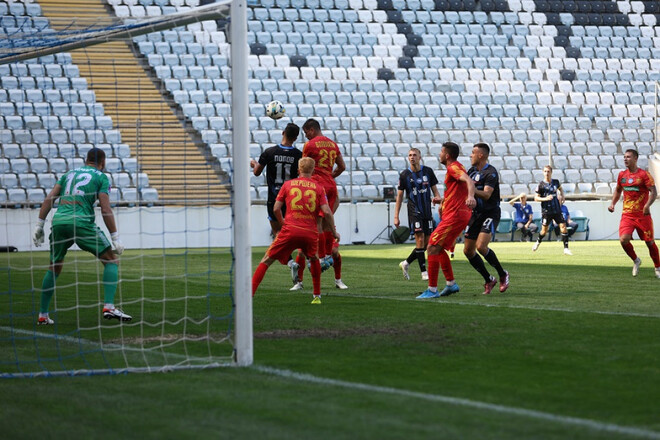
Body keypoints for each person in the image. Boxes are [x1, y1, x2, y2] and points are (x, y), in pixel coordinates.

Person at [31, 148, 131, 325]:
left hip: (60, 221)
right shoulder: (101, 176)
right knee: (111, 261)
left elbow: (49, 199)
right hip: (82, 222)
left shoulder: (68, 174)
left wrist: (39, 225)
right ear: (103, 162)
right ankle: (109, 306)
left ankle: (43, 315)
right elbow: (106, 209)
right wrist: (115, 237)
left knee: (54, 267)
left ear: (86, 160)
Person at [252, 157, 340, 304]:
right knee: (314, 258)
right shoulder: (318, 188)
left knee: (267, 260)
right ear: (312, 170)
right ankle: (316, 296)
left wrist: (283, 223)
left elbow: (276, 208)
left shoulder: (288, 185)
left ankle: (250, 293)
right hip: (310, 232)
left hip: (290, 229)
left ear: (298, 170)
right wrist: (333, 232)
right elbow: (327, 212)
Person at [291, 118, 348, 290]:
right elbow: (342, 166)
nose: (306, 137)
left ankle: (321, 260)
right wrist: (330, 177)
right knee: (323, 224)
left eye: (306, 133)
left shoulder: (310, 146)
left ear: (311, 130)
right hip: (331, 187)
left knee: (314, 227)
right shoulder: (333, 144)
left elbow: (302, 168)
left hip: (315, 188)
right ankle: (329, 275)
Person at [417, 142, 476, 299]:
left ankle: (432, 289)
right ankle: (450, 284)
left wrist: (471, 196)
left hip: (455, 215)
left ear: (447, 155)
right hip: (455, 213)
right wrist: (443, 200)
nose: (440, 154)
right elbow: (457, 191)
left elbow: (469, 182)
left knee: (431, 247)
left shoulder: (453, 167)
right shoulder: (457, 167)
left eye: (442, 152)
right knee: (439, 248)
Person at [250, 123, 302, 278]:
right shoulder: (299, 155)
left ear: (283, 132)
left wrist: (253, 164)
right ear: (296, 137)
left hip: (275, 199)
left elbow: (257, 172)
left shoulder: (269, 152)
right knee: (292, 232)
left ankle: (291, 263)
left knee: (278, 233)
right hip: (292, 199)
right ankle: (296, 261)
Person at [463, 143, 510, 295]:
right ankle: (489, 279)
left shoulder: (491, 172)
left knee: (481, 246)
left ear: (481, 155)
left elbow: (486, 194)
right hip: (475, 214)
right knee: (468, 251)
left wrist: (471, 191)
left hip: (490, 213)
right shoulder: (471, 171)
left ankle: (502, 274)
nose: (470, 155)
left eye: (473, 153)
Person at [608, 149, 660, 278]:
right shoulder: (622, 175)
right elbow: (618, 190)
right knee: (623, 240)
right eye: (624, 157)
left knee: (649, 242)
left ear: (635, 158)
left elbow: (654, 192)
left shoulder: (644, 175)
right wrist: (613, 204)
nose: (625, 159)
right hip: (627, 215)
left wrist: (647, 205)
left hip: (643, 215)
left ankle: (657, 267)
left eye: (628, 157)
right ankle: (636, 260)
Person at [394, 148, 440, 281]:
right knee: (419, 239)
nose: (412, 157)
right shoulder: (404, 175)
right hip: (414, 211)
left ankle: (406, 263)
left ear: (420, 157)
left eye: (414, 155)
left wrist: (438, 199)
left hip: (427, 211)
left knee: (426, 244)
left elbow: (435, 191)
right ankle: (424, 272)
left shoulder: (428, 172)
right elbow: (399, 197)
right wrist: (396, 216)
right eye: (409, 155)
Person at [533, 165, 572, 255]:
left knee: (563, 227)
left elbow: (560, 188)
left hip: (557, 210)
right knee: (544, 231)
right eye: (545, 171)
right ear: (543, 172)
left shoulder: (556, 182)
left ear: (551, 172)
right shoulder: (541, 185)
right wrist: (545, 198)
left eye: (548, 171)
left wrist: (562, 196)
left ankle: (566, 248)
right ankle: (538, 242)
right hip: (547, 211)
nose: (547, 173)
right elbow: (536, 198)